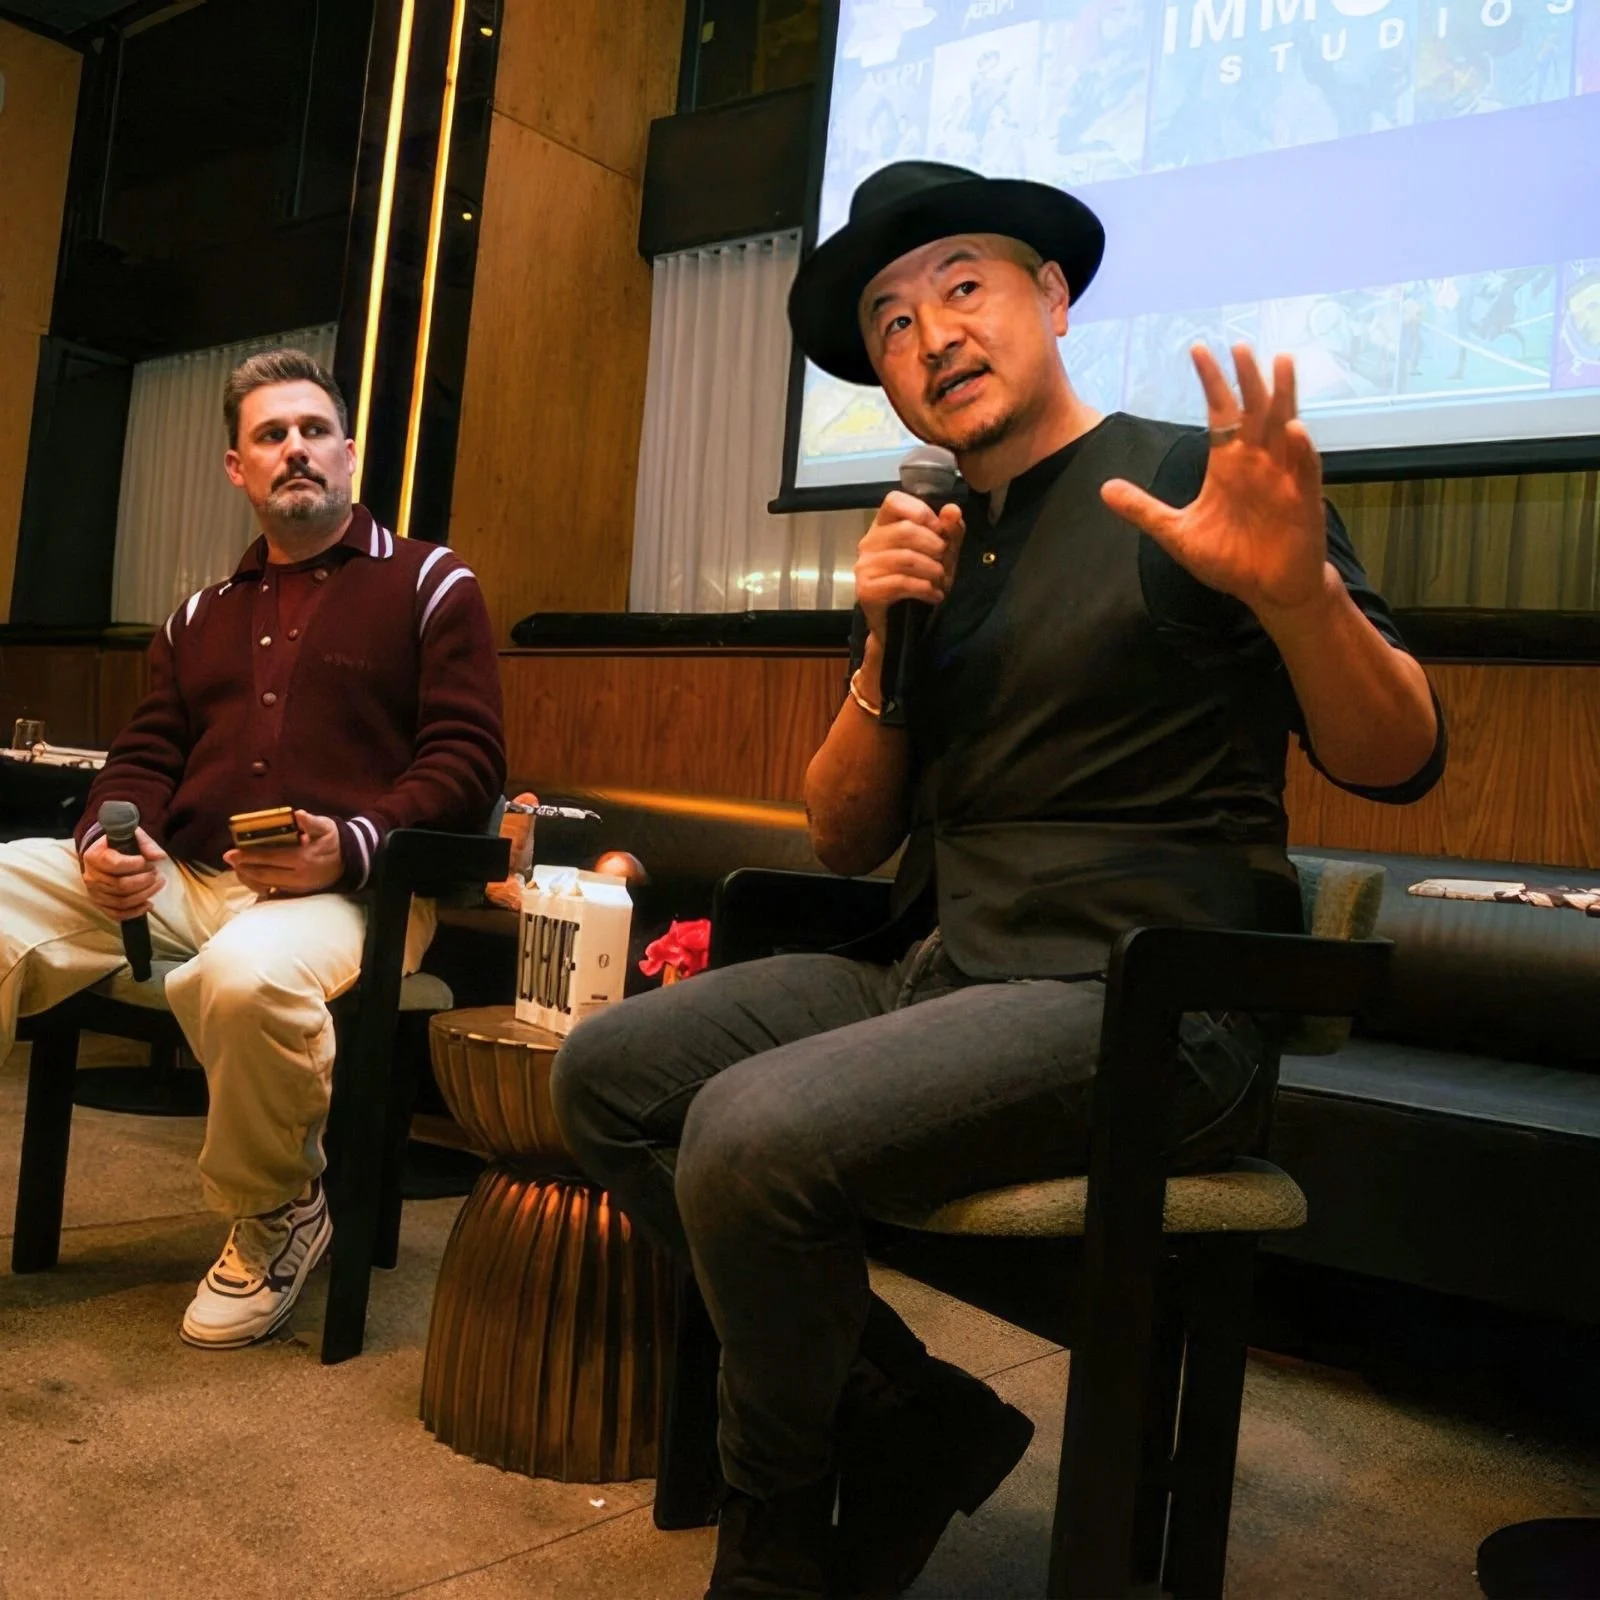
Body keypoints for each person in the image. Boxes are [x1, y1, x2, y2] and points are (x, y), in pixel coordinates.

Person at [551, 161, 1445, 1598]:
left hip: (1152, 1003)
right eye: (892, 324)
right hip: (947, 970)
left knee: (746, 1133)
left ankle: (780, 1530)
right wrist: (884, 643)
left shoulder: (1184, 479)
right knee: (607, 1076)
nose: (930, 336)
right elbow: (843, 839)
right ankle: (903, 1413)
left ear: (1055, 296)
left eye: (964, 286)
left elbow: (1399, 755)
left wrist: (1299, 595)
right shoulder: (932, 548)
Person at [0, 349, 505, 1349]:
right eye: (271, 436)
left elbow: (467, 761)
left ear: (350, 454)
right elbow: (144, 756)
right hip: (186, 877)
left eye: (314, 430)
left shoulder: (431, 582)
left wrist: (352, 846)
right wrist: (117, 837)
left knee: (240, 978)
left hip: (355, 895)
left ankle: (280, 1209)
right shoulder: (199, 616)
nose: (296, 450)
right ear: (239, 468)